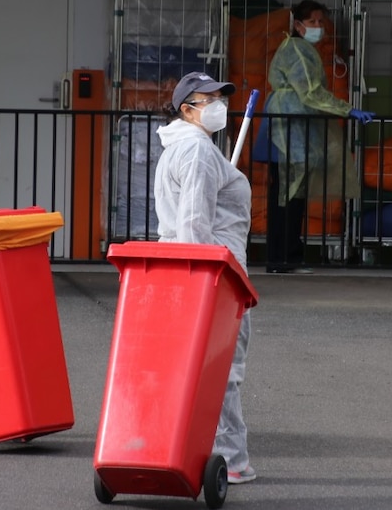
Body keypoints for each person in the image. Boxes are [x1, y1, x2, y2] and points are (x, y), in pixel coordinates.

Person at [154, 71, 256, 484]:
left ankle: (190, 448)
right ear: (187, 108)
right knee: (221, 369)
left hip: (198, 270)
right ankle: (231, 460)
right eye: (208, 98)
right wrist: (207, 279)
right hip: (215, 273)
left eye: (221, 97)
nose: (219, 105)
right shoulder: (196, 152)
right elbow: (195, 222)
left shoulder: (186, 148)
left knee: (201, 368)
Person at [253, 0, 374, 273]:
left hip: (290, 128)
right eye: (313, 22)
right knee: (288, 197)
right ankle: (284, 259)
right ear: (298, 25)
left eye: (321, 22)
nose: (319, 27)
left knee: (288, 196)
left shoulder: (298, 49)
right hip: (289, 130)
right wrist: (347, 109)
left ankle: (283, 257)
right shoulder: (298, 50)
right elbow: (310, 92)